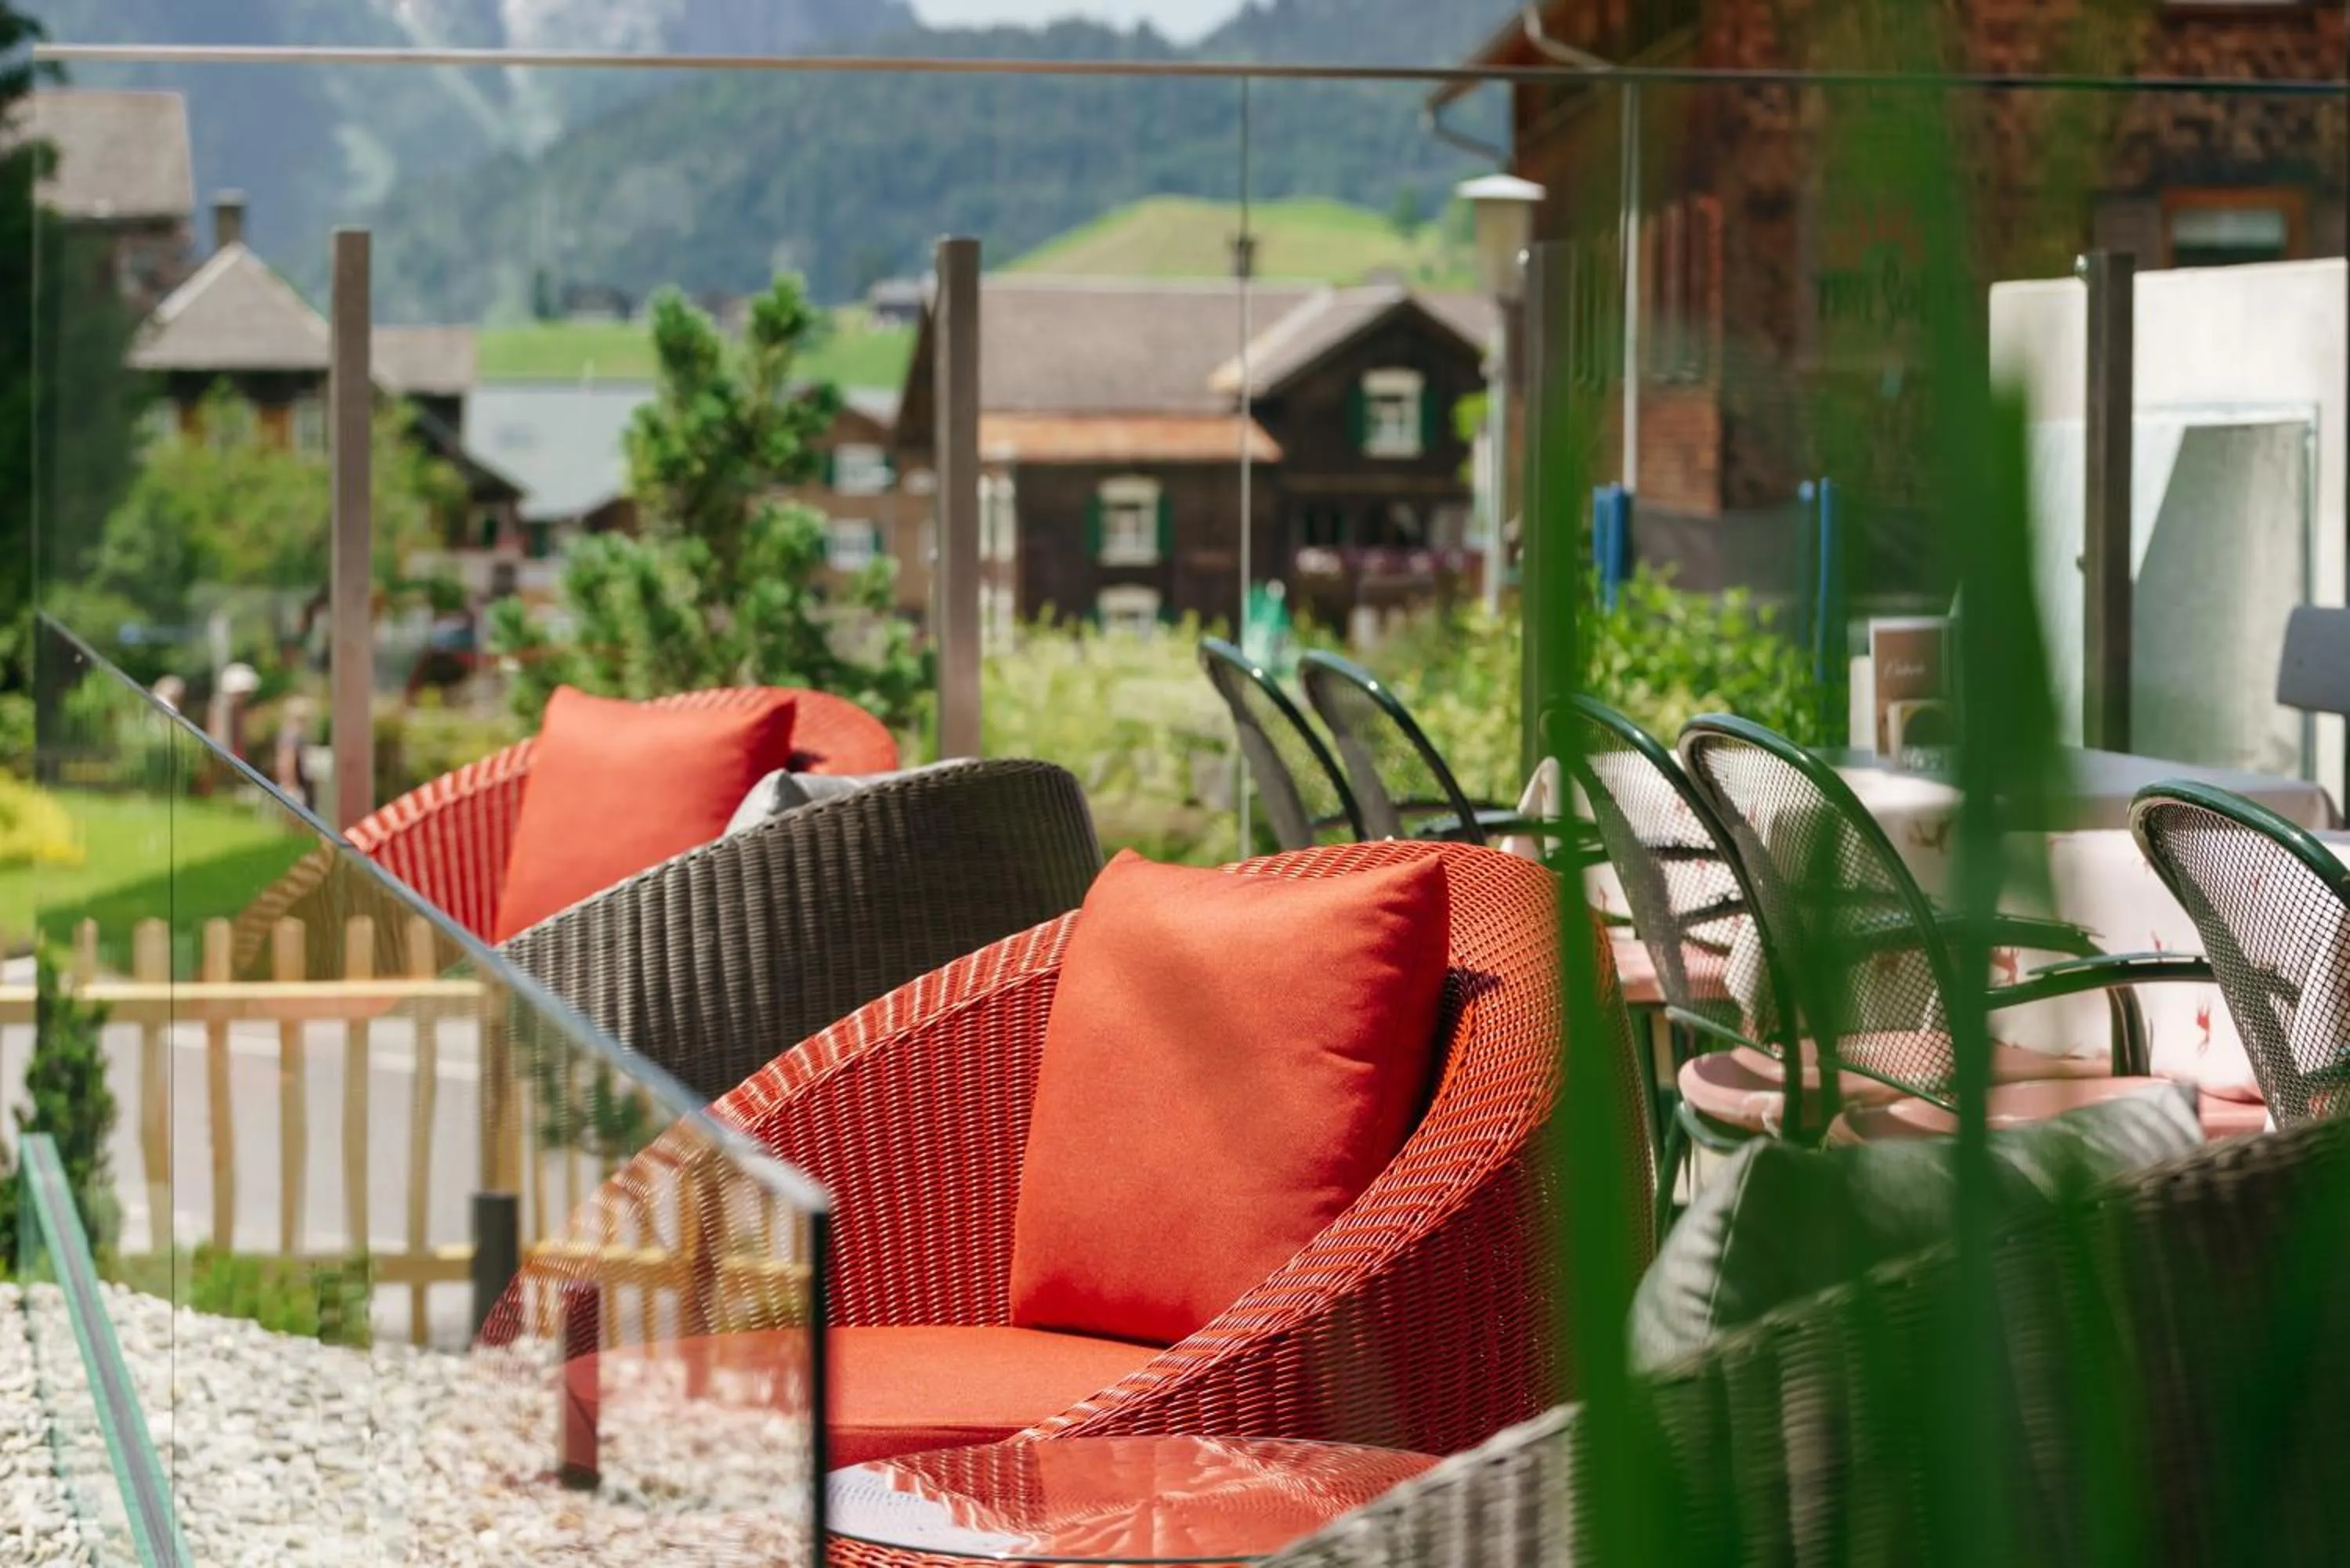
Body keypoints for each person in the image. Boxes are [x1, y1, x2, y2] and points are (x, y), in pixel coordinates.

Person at [274, 696, 316, 812]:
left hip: (295, 779)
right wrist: (290, 782)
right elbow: (288, 759)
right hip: (295, 780)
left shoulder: (287, 733)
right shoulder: (293, 735)